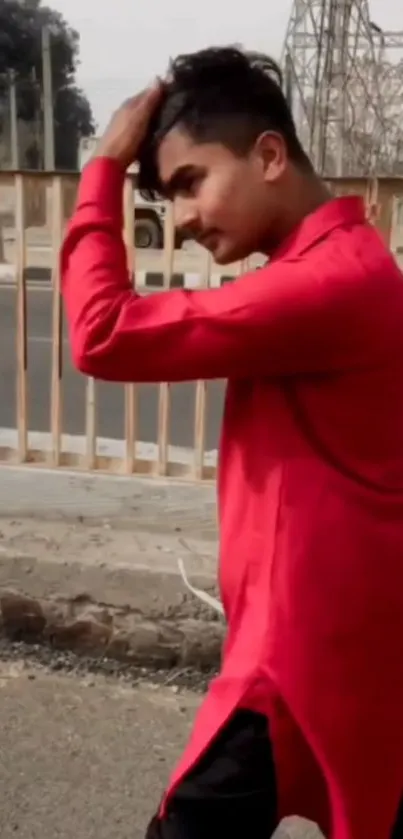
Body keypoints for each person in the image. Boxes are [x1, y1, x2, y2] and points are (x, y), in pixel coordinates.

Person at [61, 46, 403, 839]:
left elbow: (101, 332)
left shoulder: (326, 282)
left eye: (189, 182)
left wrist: (104, 169)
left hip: (295, 657)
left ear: (270, 154)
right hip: (325, 643)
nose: (179, 218)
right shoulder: (332, 263)